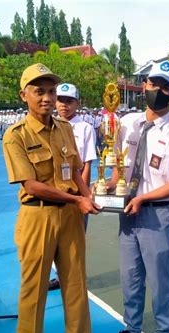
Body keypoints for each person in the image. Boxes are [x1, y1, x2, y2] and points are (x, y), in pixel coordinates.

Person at [2, 63, 99, 333]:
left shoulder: (65, 130)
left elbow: (78, 169)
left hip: (70, 216)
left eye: (51, 91)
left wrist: (88, 197)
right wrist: (77, 200)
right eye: (39, 91)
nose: (47, 98)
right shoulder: (15, 135)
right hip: (38, 215)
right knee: (35, 282)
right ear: (24, 95)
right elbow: (31, 185)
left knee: (75, 279)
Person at [105, 60, 169, 333]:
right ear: (144, 85)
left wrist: (143, 198)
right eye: (154, 83)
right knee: (130, 275)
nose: (158, 90)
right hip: (126, 213)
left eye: (165, 86)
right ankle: (131, 329)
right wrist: (107, 185)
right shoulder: (127, 122)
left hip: (156, 215)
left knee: (159, 278)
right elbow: (119, 164)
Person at [48, 83, 98, 292]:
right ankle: (60, 276)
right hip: (56, 191)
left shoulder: (84, 128)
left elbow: (86, 163)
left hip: (76, 191)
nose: (64, 105)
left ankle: (75, 277)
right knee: (56, 238)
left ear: (77, 103)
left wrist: (82, 193)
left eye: (69, 101)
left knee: (75, 238)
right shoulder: (50, 124)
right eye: (60, 100)